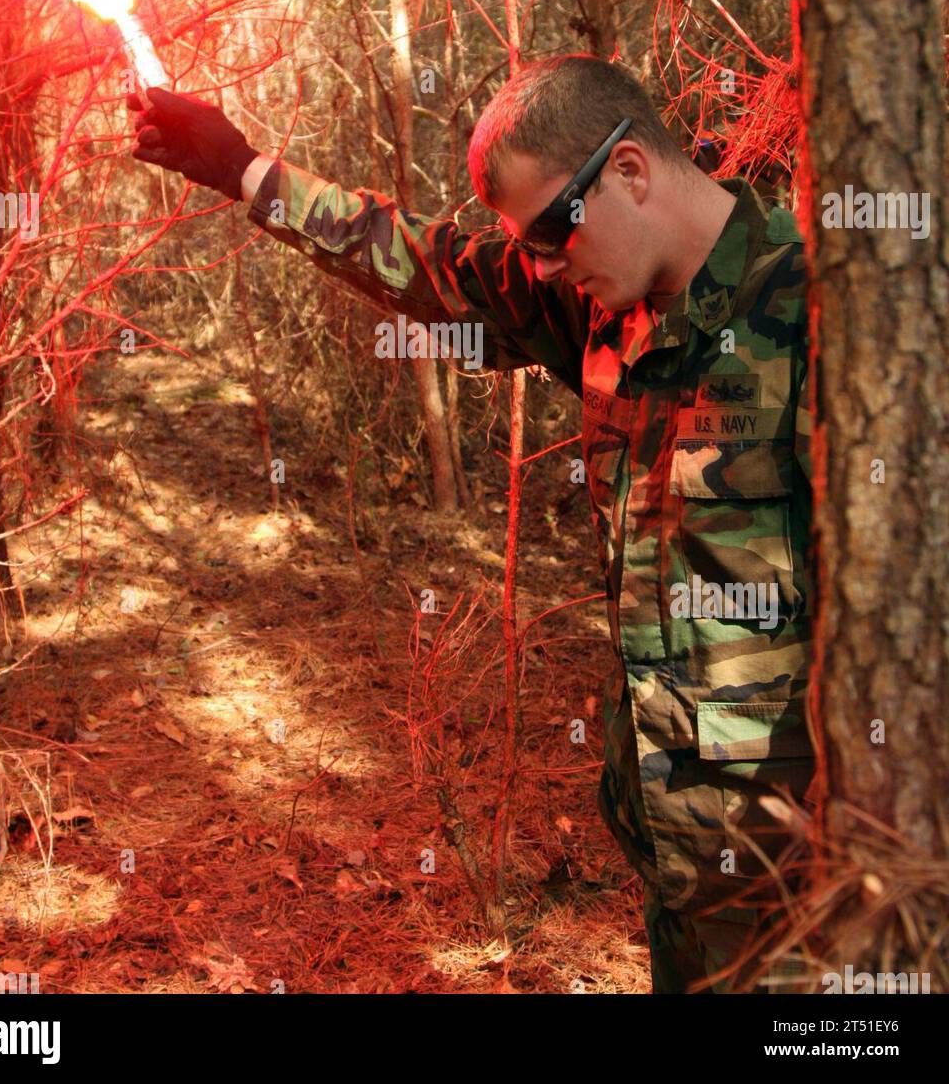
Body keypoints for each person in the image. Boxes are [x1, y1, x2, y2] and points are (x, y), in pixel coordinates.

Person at [129, 54, 815, 994]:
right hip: (679, 876)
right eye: (528, 245)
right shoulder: (606, 306)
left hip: (812, 907)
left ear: (628, 172)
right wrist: (243, 168)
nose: (541, 265)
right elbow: (431, 262)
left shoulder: (823, 320)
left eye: (549, 233)